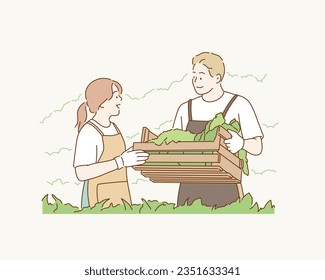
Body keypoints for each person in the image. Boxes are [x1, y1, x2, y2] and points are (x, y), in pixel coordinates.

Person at [173, 52, 264, 207]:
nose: (196, 80)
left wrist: (241, 143)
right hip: (189, 187)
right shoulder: (185, 109)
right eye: (194, 76)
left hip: (225, 187)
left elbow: (257, 147)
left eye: (202, 75)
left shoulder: (238, 104)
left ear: (217, 78)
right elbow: (174, 145)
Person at [73, 78, 149, 208]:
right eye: (116, 96)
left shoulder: (114, 127)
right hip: (97, 197)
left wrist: (130, 156)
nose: (120, 100)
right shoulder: (89, 131)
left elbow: (115, 158)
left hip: (120, 192)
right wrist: (121, 161)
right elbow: (82, 173)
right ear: (102, 102)